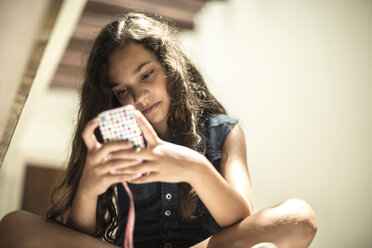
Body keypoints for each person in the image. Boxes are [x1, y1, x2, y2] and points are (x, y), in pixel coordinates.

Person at [0, 12, 317, 248]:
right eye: (123, 90)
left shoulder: (224, 131)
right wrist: (88, 188)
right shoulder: (115, 142)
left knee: (299, 217)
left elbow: (239, 220)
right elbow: (81, 237)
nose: (138, 97)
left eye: (146, 75)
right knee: (14, 226)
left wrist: (194, 169)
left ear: (170, 66)